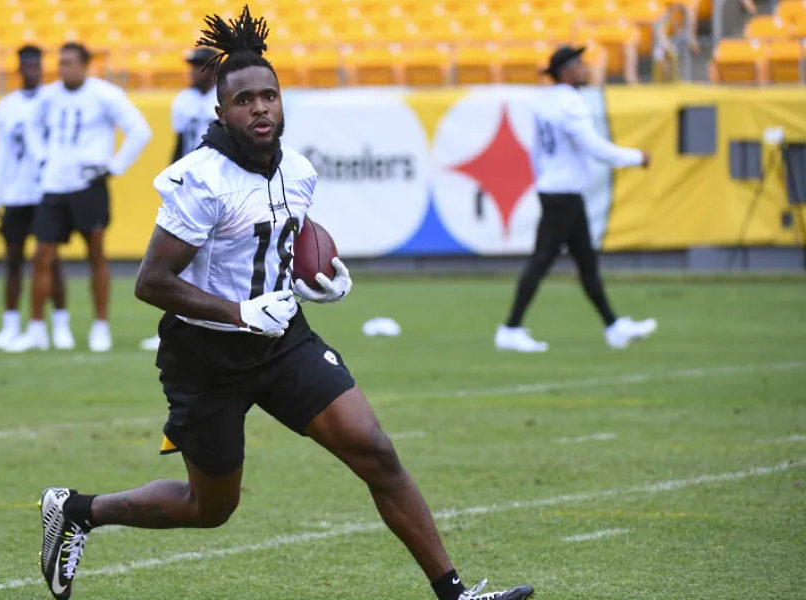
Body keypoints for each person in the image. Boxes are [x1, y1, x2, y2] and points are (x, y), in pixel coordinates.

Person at [37, 9, 534, 600]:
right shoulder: (200, 180)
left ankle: (454, 594)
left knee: (374, 450)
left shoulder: (297, 170)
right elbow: (151, 282)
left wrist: (318, 279)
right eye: (244, 100)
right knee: (210, 507)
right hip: (206, 356)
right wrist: (239, 313)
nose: (260, 108)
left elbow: (283, 239)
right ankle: (78, 510)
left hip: (282, 341)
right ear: (221, 112)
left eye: (269, 95)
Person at [495, 45, 656, 353]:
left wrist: (546, 178)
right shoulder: (569, 104)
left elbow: (538, 153)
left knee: (586, 263)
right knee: (542, 260)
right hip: (562, 193)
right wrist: (635, 157)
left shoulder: (546, 102)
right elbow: (595, 147)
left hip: (559, 189)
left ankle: (613, 326)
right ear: (567, 71)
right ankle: (510, 328)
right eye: (581, 65)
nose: (586, 69)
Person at [8, 42, 152, 353]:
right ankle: (35, 327)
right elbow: (30, 126)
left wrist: (114, 166)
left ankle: (100, 326)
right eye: (61, 63)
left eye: (70, 63)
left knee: (96, 254)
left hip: (88, 185)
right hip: (54, 184)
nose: (64, 69)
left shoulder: (104, 95)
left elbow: (140, 130)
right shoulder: (49, 96)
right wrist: (42, 157)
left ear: (85, 65)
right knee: (42, 255)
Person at [0, 46, 71, 351]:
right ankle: (10, 325)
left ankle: (61, 325)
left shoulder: (54, 101)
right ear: (19, 68)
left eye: (36, 65)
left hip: (47, 190)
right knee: (13, 260)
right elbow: (1, 154)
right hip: (16, 192)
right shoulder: (6, 107)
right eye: (27, 65)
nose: (32, 70)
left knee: (51, 260)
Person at [140, 46, 220, 352]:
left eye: (200, 66)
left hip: (216, 189)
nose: (193, 72)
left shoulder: (224, 97)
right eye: (192, 66)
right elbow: (179, 144)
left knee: (213, 261)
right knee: (178, 264)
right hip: (188, 189)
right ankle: (174, 329)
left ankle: (218, 326)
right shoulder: (183, 101)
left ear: (214, 69)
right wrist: (172, 181)